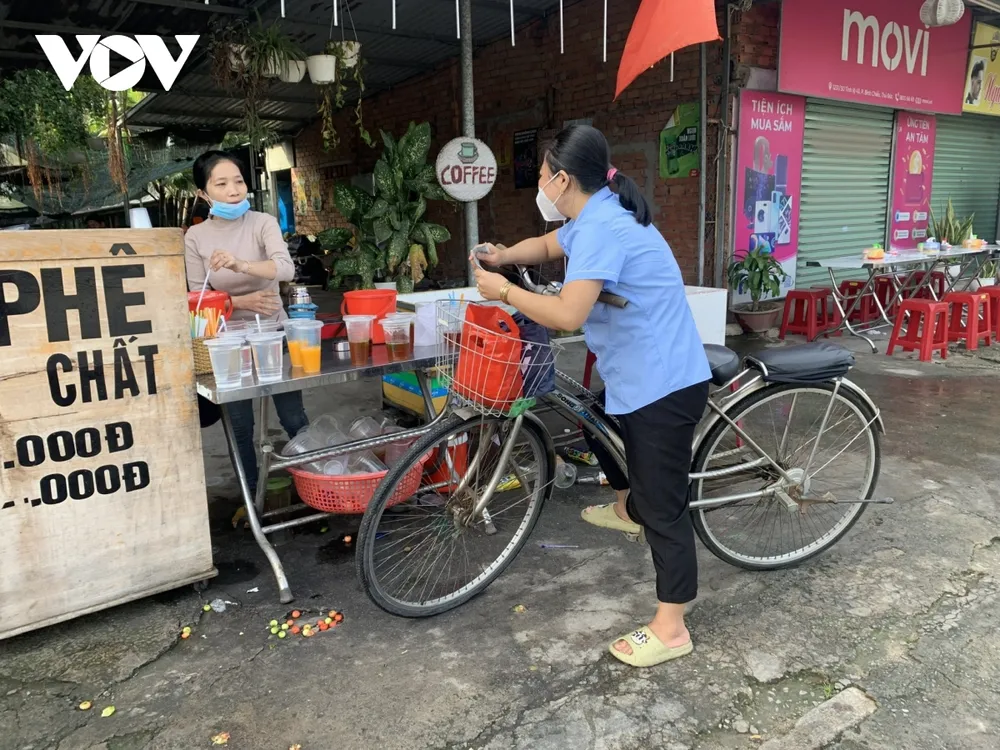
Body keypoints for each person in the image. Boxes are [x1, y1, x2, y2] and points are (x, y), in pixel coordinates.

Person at [472, 124, 711, 668]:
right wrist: (505, 253)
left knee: (664, 505)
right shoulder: (590, 213)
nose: (537, 184)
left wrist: (504, 290)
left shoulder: (604, 227)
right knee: (591, 418)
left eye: (539, 176)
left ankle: (672, 625)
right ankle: (627, 507)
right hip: (636, 372)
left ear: (561, 178)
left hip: (664, 381)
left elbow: (567, 316)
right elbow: (550, 244)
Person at [184, 150, 308, 494]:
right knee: (239, 424)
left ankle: (316, 482)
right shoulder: (196, 238)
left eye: (238, 181)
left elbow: (285, 269)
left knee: (292, 416)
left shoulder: (262, 223)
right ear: (204, 194)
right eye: (221, 184)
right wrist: (238, 302)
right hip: (227, 344)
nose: (233, 190)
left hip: (274, 333)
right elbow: (197, 297)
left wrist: (241, 265)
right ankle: (253, 494)